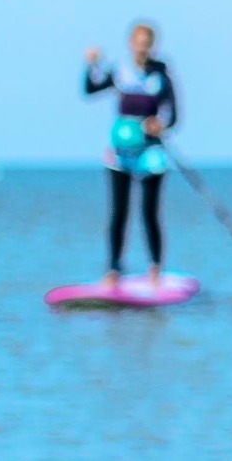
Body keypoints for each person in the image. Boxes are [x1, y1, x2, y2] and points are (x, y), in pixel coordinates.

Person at [82, 22, 178, 285]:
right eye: (137, 42)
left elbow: (174, 115)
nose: (141, 48)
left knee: (149, 212)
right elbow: (90, 90)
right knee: (118, 212)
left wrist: (161, 124)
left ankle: (155, 268)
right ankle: (113, 269)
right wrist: (90, 65)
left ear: (152, 46)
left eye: (146, 43)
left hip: (151, 154)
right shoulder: (119, 72)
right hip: (120, 154)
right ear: (129, 44)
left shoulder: (161, 75)